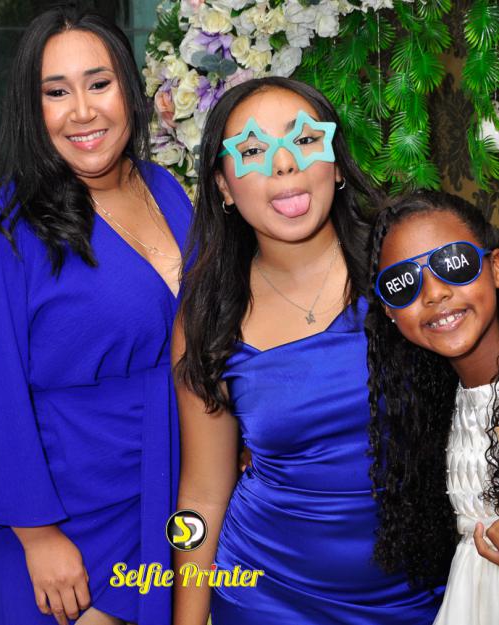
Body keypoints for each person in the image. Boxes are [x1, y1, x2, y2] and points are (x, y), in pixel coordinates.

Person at [0, 6, 191, 625]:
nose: (82, 111)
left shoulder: (166, 190)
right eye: (56, 92)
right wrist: (38, 534)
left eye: (99, 83)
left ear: (129, 89)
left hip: (163, 491)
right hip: (56, 511)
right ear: (30, 107)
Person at [171, 76, 444, 625]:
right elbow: (201, 495)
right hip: (264, 595)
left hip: (422, 595)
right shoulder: (206, 315)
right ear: (224, 186)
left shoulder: (407, 270)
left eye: (303, 140)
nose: (284, 163)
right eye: (252, 150)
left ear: (336, 164)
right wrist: (188, 618)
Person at [365, 191, 499, 625]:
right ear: (390, 311)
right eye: (403, 284)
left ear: (496, 267)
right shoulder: (443, 405)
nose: (435, 293)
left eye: (454, 263)